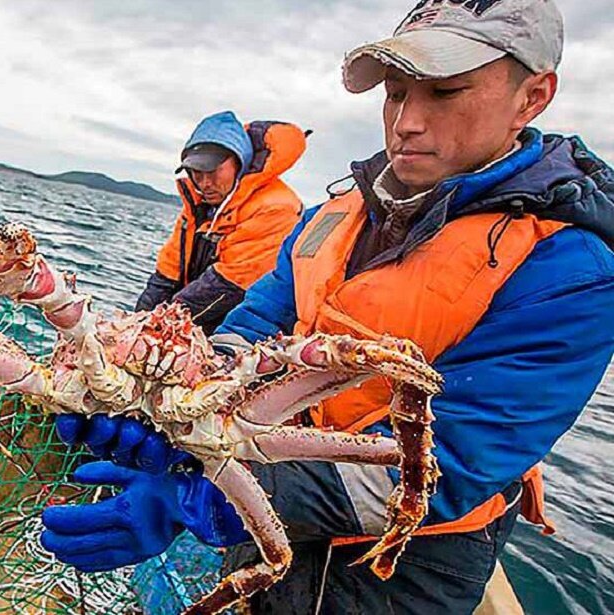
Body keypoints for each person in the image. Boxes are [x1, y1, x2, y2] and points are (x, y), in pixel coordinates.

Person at [41, 0, 614, 612]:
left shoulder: (574, 268)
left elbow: (452, 458)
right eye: (395, 93)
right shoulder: (330, 217)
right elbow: (256, 324)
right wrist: (174, 418)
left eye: (444, 93)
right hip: (255, 481)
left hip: (399, 567)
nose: (406, 123)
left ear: (532, 96)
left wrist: (204, 497)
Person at [135, 110, 307, 334]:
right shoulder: (198, 206)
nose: (205, 183)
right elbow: (166, 274)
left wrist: (157, 328)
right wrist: (136, 323)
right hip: (196, 321)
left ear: (238, 162)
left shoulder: (276, 207)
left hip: (249, 331)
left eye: (213, 172)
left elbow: (229, 284)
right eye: (196, 173)